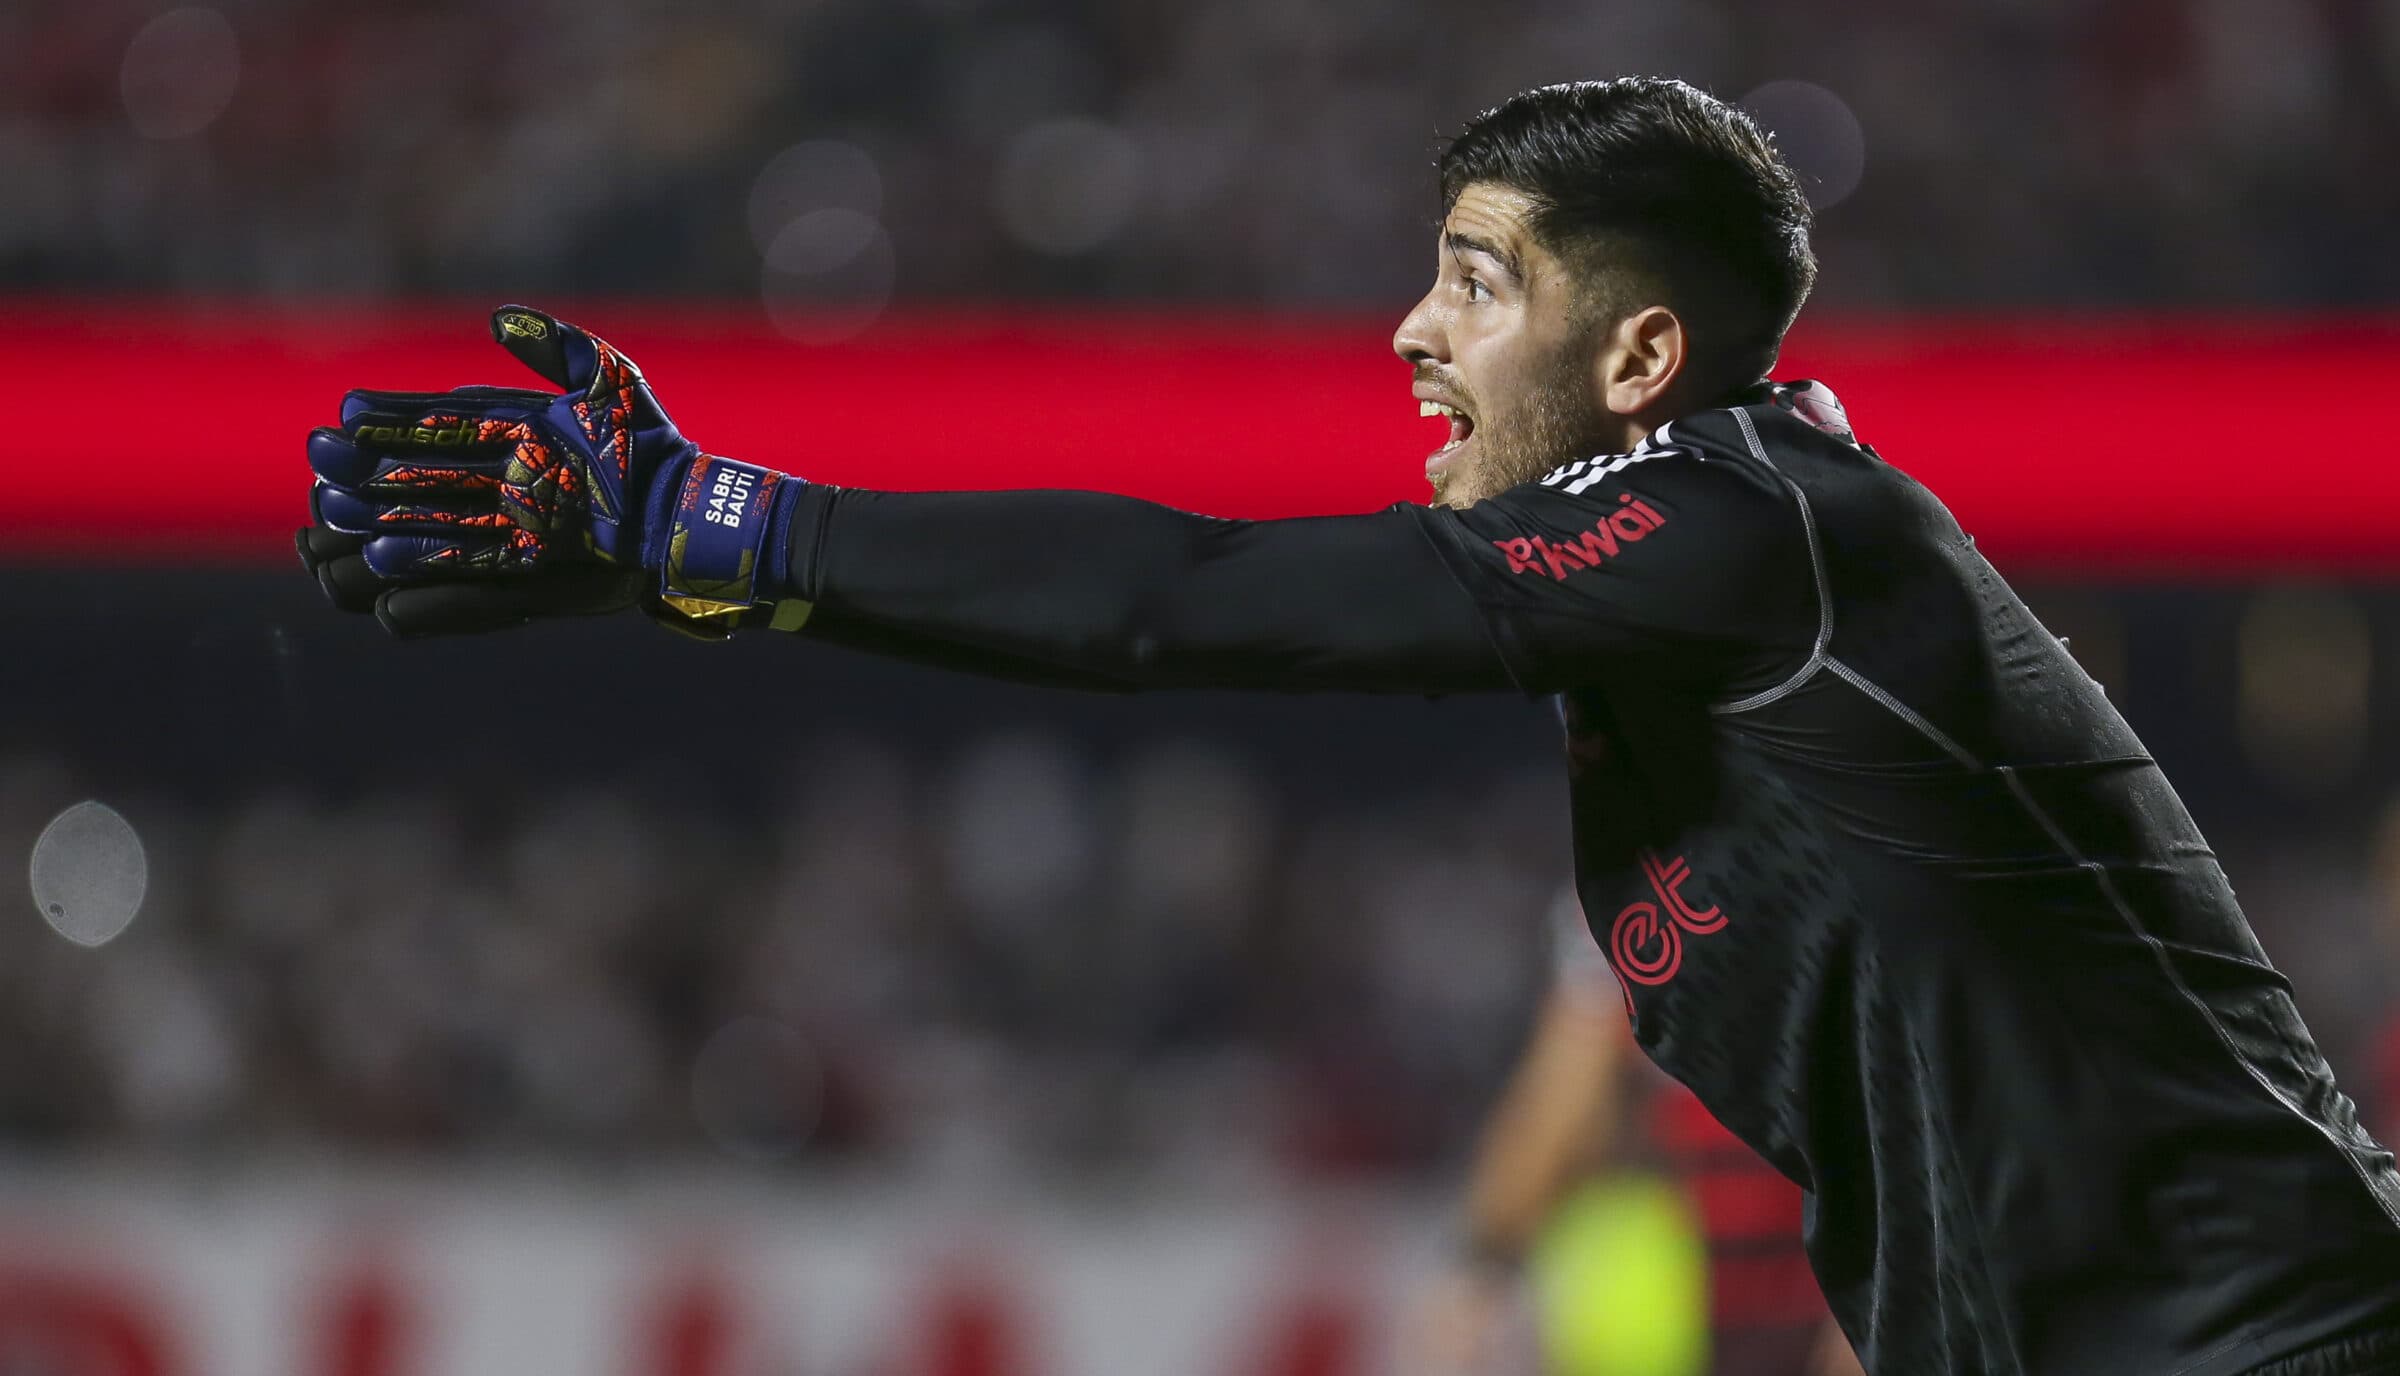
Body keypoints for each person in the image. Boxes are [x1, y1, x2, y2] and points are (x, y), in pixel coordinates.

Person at [298, 77, 2400, 1375]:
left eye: (1481, 281)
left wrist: (722, 515)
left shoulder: (1760, 528)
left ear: (1646, 349)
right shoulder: (1701, 634)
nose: (1412, 328)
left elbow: (1187, 604)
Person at [1416, 893, 1860, 1376]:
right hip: (1833, 1283)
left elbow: (1565, 1095)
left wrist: (1480, 1267)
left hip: (1781, 1292)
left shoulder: (1633, 880)